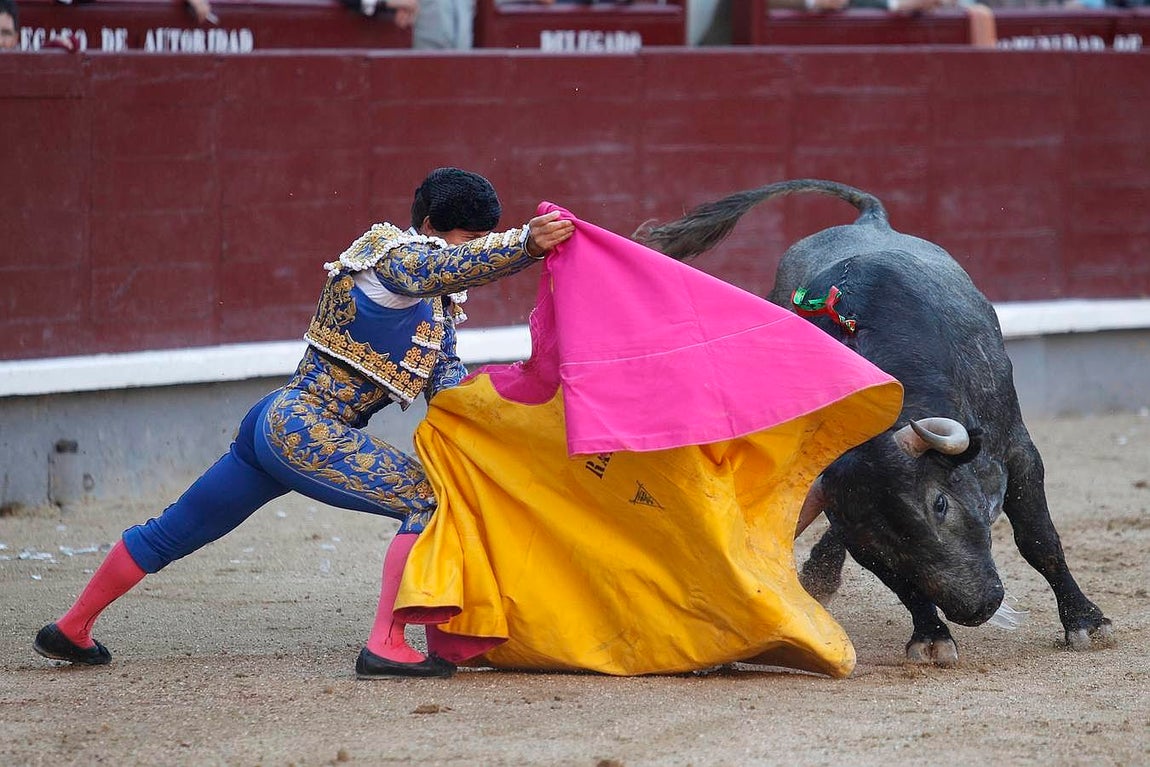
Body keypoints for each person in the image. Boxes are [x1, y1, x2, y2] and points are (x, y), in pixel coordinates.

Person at [33, 167, 575, 680]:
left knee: (176, 528)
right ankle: (386, 644)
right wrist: (523, 244)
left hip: (277, 423)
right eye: (468, 238)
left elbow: (447, 385)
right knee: (430, 501)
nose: (474, 248)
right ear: (431, 226)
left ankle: (71, 628)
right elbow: (446, 267)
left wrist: (508, 408)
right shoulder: (393, 258)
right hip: (304, 431)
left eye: (484, 239)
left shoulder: (434, 308)